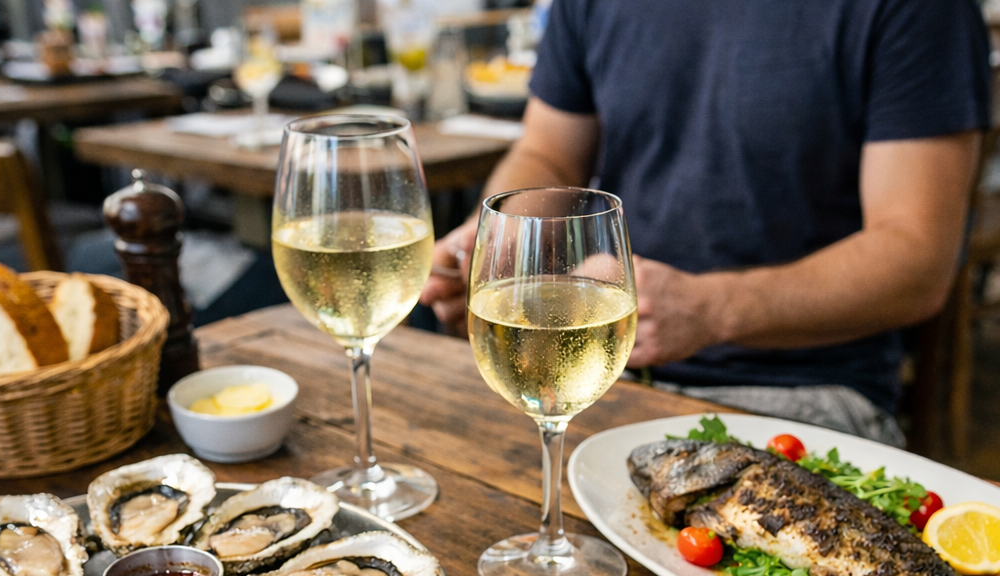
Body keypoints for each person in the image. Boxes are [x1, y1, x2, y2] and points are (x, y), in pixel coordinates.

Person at [420, 0, 992, 444]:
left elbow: (917, 257)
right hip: (595, 370)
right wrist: (499, 240)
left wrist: (711, 308)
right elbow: (547, 151)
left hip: (797, 391)